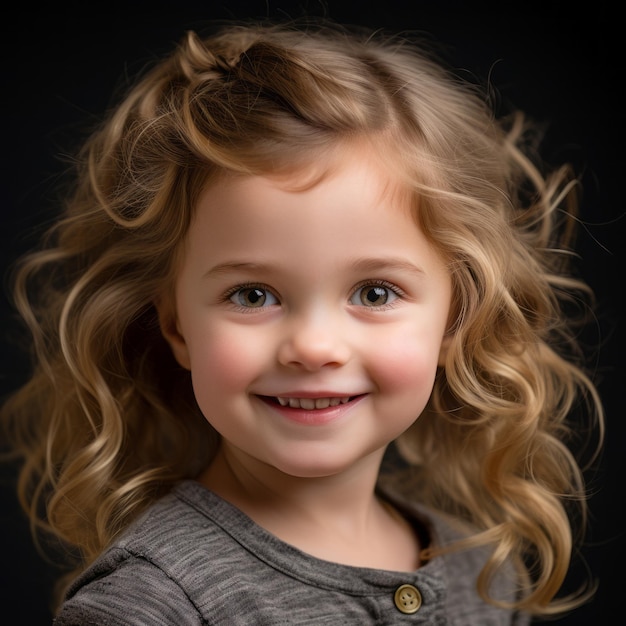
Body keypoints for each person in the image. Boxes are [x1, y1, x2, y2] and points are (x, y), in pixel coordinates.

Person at [0, 16, 604, 625]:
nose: (314, 348)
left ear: (456, 319)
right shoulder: (149, 605)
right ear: (177, 326)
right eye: (253, 295)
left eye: (373, 292)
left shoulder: (487, 575)